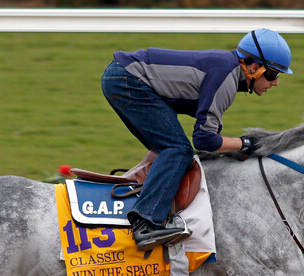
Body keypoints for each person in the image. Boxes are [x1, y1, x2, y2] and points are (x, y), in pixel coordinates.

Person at [101, 28, 293, 250]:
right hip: (128, 79)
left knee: (171, 152)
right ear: (253, 67)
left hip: (121, 75)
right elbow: (204, 140)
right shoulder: (226, 77)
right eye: (273, 74)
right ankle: (145, 225)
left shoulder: (226, 70)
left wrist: (235, 146)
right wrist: (244, 143)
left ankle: (153, 208)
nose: (276, 82)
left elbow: (208, 137)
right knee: (179, 150)